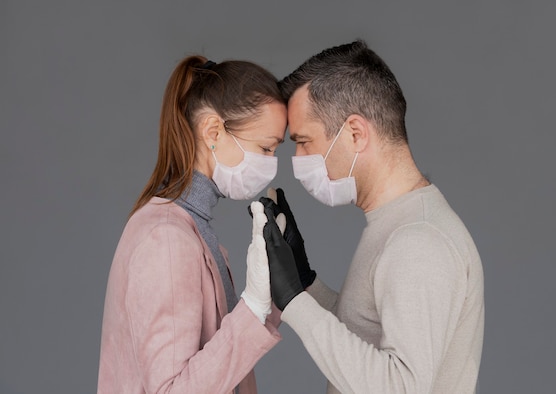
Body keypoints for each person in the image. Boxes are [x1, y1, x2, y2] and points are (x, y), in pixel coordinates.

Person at [259, 40, 485, 393]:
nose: (298, 158)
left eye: (304, 141)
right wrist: (305, 283)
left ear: (355, 133)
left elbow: (401, 386)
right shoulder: (399, 224)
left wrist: (294, 303)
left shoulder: (418, 239)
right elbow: (368, 336)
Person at [97, 56, 287, 394]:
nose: (270, 165)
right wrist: (252, 307)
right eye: (265, 148)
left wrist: (275, 293)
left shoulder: (192, 230)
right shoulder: (167, 240)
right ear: (213, 131)